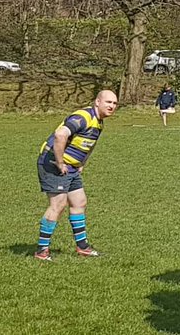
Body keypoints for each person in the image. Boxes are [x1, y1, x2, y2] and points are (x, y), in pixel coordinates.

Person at [34, 90, 118, 260]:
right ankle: (42, 251)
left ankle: (82, 247)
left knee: (79, 202)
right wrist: (59, 162)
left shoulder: (99, 122)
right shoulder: (83, 117)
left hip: (71, 167)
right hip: (52, 163)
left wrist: (81, 163)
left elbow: (90, 144)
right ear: (97, 102)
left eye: (115, 104)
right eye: (108, 102)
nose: (111, 106)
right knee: (58, 205)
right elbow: (60, 134)